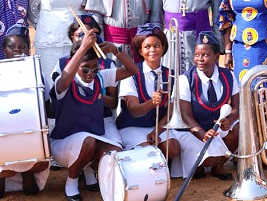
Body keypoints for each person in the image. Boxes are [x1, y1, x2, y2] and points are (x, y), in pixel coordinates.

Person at [50, 28, 137, 201]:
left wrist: (115, 50)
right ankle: (72, 180)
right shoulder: (65, 82)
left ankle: (90, 170)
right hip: (64, 143)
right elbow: (64, 79)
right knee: (88, 142)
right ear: (75, 65)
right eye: (85, 69)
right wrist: (82, 48)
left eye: (94, 68)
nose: (90, 73)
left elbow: (133, 70)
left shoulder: (101, 78)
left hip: (92, 139)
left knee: (115, 153)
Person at [174, 31, 239, 180]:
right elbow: (186, 116)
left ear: (217, 56)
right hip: (192, 130)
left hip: (216, 128)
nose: (199, 59)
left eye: (205, 55)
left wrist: (230, 119)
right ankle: (200, 165)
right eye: (197, 55)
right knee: (208, 159)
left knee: (238, 128)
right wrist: (202, 134)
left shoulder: (228, 75)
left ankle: (218, 166)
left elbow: (236, 107)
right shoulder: (185, 79)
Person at [51, 14, 122, 146]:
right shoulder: (62, 64)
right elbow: (57, 100)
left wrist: (95, 95)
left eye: (87, 36)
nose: (84, 40)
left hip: (103, 118)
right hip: (73, 119)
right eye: (79, 35)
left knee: (115, 150)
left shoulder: (107, 64)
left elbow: (113, 104)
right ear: (72, 37)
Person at [116, 23, 181, 160]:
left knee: (173, 147)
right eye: (147, 47)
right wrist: (152, 102)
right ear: (140, 51)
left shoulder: (171, 75)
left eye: (157, 46)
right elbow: (134, 110)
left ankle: (162, 167)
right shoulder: (130, 73)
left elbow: (170, 112)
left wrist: (156, 131)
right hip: (132, 126)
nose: (153, 50)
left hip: (158, 127)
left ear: (163, 48)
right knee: (148, 153)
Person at [0, 25, 49, 198]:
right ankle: (3, 175)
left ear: (28, 50)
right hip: (2, 134)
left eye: (22, 47)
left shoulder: (37, 73)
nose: (17, 50)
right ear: (4, 50)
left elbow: (47, 106)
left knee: (41, 157)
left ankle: (27, 172)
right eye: (11, 47)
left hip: (29, 131)